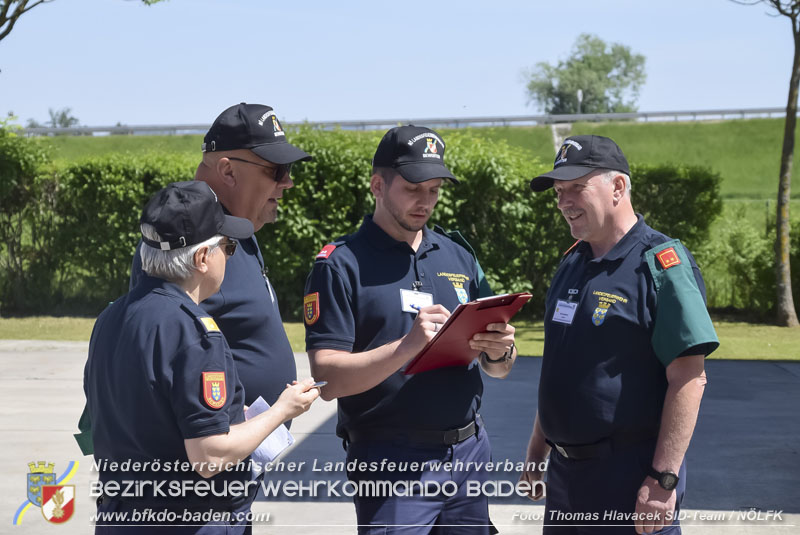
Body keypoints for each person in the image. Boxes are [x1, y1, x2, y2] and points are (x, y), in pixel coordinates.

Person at [303, 125, 518, 534]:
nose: (425, 201)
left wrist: (499, 351)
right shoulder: (340, 264)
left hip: (470, 452)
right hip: (391, 458)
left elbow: (500, 368)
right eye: (414, 188)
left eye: (434, 189)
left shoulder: (458, 256)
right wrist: (407, 346)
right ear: (377, 185)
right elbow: (327, 379)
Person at [84, 181, 319, 534]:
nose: (230, 254)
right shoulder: (194, 332)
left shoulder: (112, 317)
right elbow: (210, 457)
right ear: (202, 259)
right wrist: (282, 410)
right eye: (228, 246)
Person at [520, 135, 719, 534]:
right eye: (559, 192)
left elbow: (689, 377)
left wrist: (664, 481)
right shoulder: (571, 263)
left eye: (577, 187)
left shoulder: (661, 264)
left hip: (627, 478)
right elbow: (562, 364)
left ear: (618, 187)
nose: (564, 202)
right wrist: (537, 449)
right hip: (564, 479)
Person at [130, 103, 311, 409]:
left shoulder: (241, 226)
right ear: (228, 170)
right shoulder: (184, 237)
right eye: (276, 170)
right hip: (211, 447)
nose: (287, 182)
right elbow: (152, 355)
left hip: (246, 445)